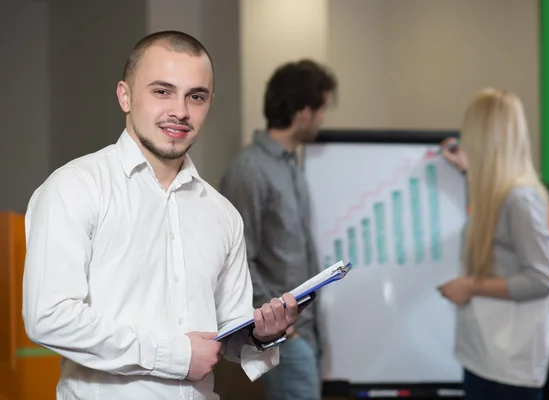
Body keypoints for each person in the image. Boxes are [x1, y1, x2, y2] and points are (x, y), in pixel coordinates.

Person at [21, 30, 309, 400]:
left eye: (196, 96)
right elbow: (49, 317)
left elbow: (226, 335)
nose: (180, 111)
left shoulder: (222, 214)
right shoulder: (74, 188)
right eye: (162, 92)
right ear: (125, 95)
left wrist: (261, 335)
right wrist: (174, 355)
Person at [219, 59, 338, 400]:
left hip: (307, 334)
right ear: (304, 112)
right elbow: (237, 257)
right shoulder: (250, 169)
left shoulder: (292, 165)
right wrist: (283, 328)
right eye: (321, 109)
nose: (322, 119)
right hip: (284, 337)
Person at [438, 88, 549, 400]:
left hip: (508, 368)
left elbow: (542, 278)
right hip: (486, 357)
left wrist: (472, 285)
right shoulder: (498, 194)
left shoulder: (520, 200)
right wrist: (466, 170)